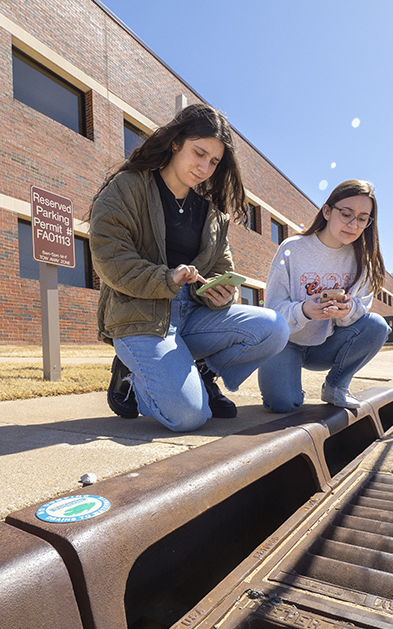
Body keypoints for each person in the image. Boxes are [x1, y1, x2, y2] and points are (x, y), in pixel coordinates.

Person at [89, 103, 289, 432]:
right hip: (140, 317)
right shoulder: (128, 186)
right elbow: (111, 259)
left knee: (274, 327)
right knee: (190, 416)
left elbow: (222, 267)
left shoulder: (211, 214)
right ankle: (132, 374)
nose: (204, 167)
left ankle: (198, 372)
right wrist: (167, 278)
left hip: (193, 316)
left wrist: (223, 294)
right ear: (175, 142)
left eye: (213, 161)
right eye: (199, 153)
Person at [258, 179, 390, 412]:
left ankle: (336, 386)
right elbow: (272, 310)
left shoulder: (364, 261)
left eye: (362, 218)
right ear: (327, 211)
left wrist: (347, 311)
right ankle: (288, 387)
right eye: (347, 214)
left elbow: (362, 310)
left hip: (326, 345)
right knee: (283, 403)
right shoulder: (293, 248)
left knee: (377, 325)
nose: (353, 224)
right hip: (285, 343)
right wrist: (304, 310)